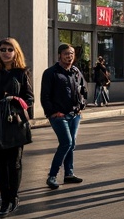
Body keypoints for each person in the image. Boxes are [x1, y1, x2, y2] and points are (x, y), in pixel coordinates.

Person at [0, 37, 34, 218]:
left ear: (15, 52)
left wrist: (16, 102)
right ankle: (4, 200)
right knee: (0, 165)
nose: (6, 52)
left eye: (10, 49)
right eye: (3, 49)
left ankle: (13, 198)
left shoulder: (22, 72)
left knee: (14, 163)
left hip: (14, 123)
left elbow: (30, 99)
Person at [39, 42, 87, 189]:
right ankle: (52, 176)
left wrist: (81, 106)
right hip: (59, 116)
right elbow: (44, 96)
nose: (69, 56)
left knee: (71, 144)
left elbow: (83, 90)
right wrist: (53, 112)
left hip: (75, 114)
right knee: (66, 142)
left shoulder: (76, 71)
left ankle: (69, 174)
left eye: (71, 54)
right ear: (59, 55)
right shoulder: (51, 73)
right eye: (66, 54)